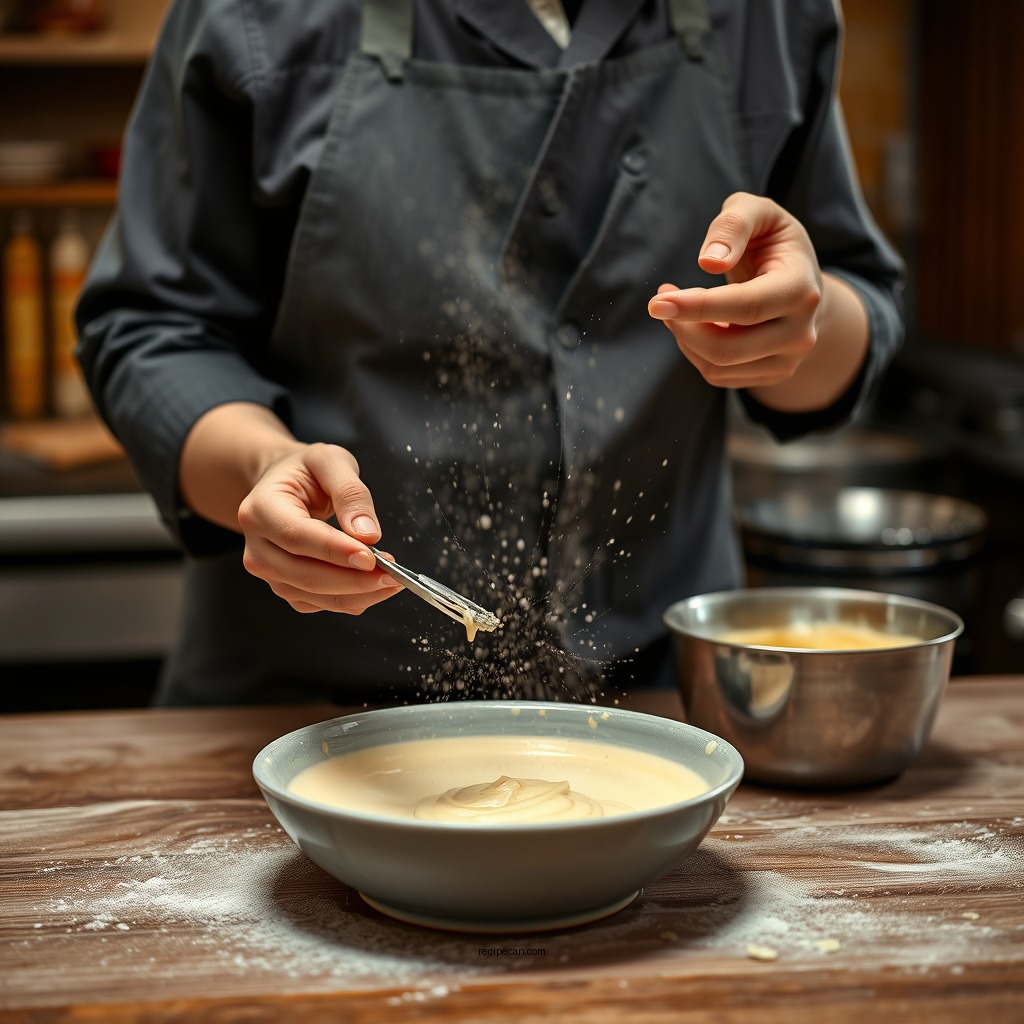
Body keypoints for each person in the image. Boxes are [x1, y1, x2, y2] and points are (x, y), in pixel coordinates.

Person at [76, 0, 904, 707]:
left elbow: (854, 310)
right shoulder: (258, 17)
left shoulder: (769, 16)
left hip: (662, 706)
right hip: (305, 706)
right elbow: (151, 328)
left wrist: (804, 321)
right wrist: (265, 463)